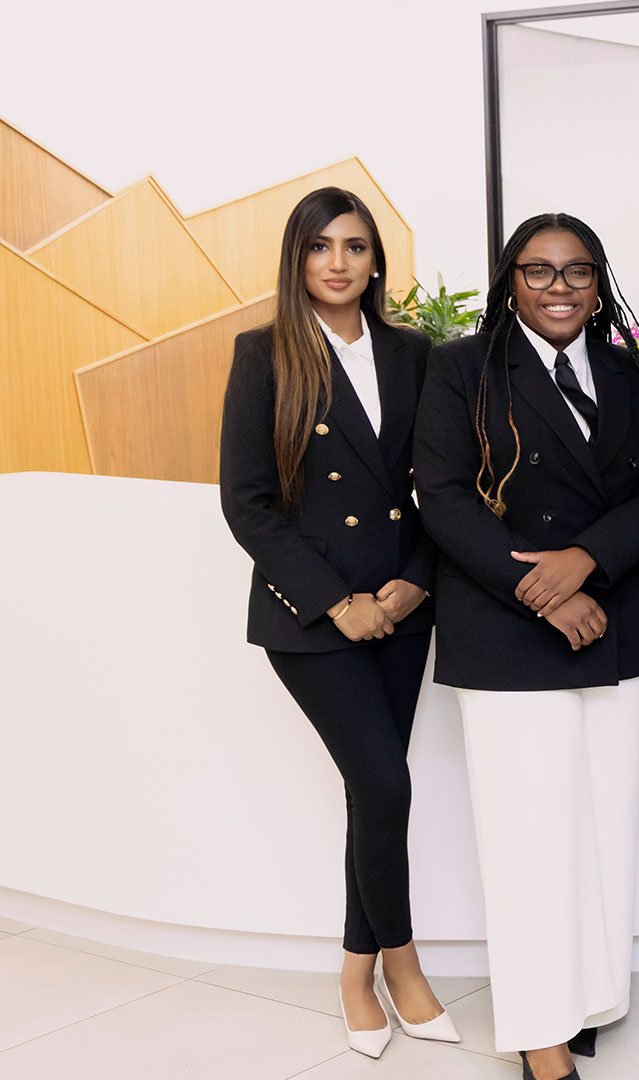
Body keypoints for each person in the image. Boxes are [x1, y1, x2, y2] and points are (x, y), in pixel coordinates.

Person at [413, 213, 639, 1080]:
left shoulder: (630, 369)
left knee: (604, 826)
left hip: (613, 620)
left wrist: (588, 563)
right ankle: (541, 1035)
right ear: (510, 282)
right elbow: (443, 493)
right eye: (539, 271)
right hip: (505, 630)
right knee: (528, 838)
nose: (560, 287)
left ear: (598, 282)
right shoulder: (462, 367)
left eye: (577, 271)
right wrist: (539, 589)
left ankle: (588, 1000)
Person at [218, 186, 458, 1060]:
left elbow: (440, 484)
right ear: (296, 259)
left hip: (400, 608)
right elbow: (247, 504)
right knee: (387, 784)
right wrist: (335, 601)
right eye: (320, 247)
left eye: (354, 246)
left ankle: (356, 968)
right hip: (312, 619)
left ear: (375, 261)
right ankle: (395, 961)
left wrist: (411, 586)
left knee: (374, 787)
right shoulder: (265, 354)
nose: (337, 263)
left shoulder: (414, 352)